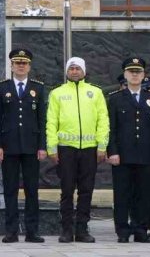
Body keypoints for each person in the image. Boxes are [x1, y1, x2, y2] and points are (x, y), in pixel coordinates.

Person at [46, 56, 108, 243]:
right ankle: (66, 229)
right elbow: (51, 121)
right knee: (66, 190)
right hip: (66, 149)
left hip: (90, 149)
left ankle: (82, 229)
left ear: (84, 71)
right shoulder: (57, 93)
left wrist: (102, 145)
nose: (74, 71)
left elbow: (103, 120)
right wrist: (52, 147)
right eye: (71, 68)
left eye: (77, 68)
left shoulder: (95, 92)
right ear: (67, 71)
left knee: (86, 190)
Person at [0, 49, 47, 243]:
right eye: (17, 63)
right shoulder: (2, 88)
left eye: (24, 63)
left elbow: (42, 119)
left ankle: (32, 231)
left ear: (29, 66)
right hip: (9, 146)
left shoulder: (38, 88)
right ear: (12, 65)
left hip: (31, 147)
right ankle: (11, 231)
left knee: (32, 190)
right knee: (10, 190)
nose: (21, 66)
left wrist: (42, 146)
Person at [106, 57, 150, 243]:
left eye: (138, 72)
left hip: (146, 155)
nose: (135, 75)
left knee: (144, 195)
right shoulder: (115, 99)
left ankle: (141, 229)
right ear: (125, 75)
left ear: (144, 75)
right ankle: (122, 230)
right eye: (131, 72)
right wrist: (112, 151)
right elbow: (111, 128)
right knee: (122, 194)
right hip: (122, 155)